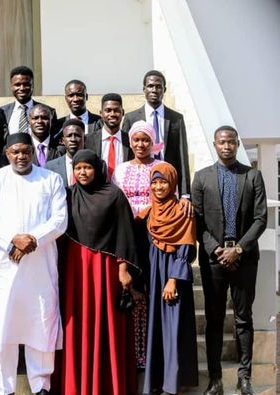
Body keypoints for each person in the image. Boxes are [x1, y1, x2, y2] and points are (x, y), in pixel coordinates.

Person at [0, 132, 67, 395]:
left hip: (40, 266)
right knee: (3, 326)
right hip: (6, 267)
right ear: (7, 153)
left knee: (40, 322)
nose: (21, 156)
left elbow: (60, 220)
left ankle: (41, 386)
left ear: (33, 152)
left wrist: (32, 240)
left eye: (25, 151)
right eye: (15, 151)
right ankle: (5, 389)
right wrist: (13, 240)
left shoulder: (51, 179)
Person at [192, 126, 267, 395]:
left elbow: (260, 219)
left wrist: (239, 249)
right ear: (215, 144)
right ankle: (215, 379)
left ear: (237, 144)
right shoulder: (201, 178)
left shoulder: (253, 176)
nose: (227, 146)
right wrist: (217, 251)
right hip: (214, 260)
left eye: (232, 142)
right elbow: (197, 222)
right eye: (222, 142)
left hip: (245, 260)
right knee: (214, 320)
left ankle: (244, 376)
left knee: (243, 319)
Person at [61, 149, 137, 395]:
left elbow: (124, 232)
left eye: (88, 167)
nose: (82, 172)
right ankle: (77, 385)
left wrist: (123, 269)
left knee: (106, 324)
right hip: (75, 269)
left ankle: (108, 385)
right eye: (78, 168)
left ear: (98, 168)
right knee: (78, 324)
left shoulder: (113, 195)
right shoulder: (68, 195)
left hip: (105, 269)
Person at [137, 162, 198, 395]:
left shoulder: (184, 210)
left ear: (173, 183)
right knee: (156, 328)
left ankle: (173, 384)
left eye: (164, 182)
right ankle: (154, 382)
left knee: (173, 328)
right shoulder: (148, 213)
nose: (159, 186)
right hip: (154, 273)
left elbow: (186, 247)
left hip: (174, 275)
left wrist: (173, 279)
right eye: (155, 182)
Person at [112, 120, 163, 370]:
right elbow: (115, 201)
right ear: (130, 142)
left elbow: (168, 200)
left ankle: (153, 355)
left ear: (152, 142)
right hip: (128, 236)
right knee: (133, 292)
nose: (141, 144)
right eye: (136, 140)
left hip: (155, 237)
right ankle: (134, 356)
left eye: (145, 140)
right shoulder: (120, 170)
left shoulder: (162, 167)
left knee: (153, 291)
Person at [122, 70, 191, 197]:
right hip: (140, 184)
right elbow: (127, 155)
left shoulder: (176, 118)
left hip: (168, 184)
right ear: (144, 89)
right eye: (150, 86)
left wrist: (185, 194)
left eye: (158, 87)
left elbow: (182, 157)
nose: (154, 90)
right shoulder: (130, 118)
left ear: (164, 90)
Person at [0, 66, 57, 137]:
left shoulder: (49, 111)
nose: (22, 88)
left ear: (32, 86)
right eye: (17, 85)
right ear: (11, 86)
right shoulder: (1, 112)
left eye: (26, 84)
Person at [85, 93, 133, 180]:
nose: (112, 114)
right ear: (101, 113)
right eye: (108, 110)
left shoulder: (130, 140)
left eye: (116, 110)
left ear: (123, 113)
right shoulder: (88, 140)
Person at [45, 118, 85, 187]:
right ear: (63, 141)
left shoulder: (97, 165)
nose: (73, 139)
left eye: (77, 135)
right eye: (69, 136)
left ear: (85, 139)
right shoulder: (50, 167)